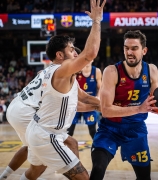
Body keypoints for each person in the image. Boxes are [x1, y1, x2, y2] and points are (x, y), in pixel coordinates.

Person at [20, 0, 106, 180]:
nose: (76, 54)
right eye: (72, 50)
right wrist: (96, 21)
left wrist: (107, 106)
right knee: (83, 177)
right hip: (47, 136)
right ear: (60, 55)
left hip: (38, 130)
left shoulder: (59, 74)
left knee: (34, 172)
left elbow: (84, 99)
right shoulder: (62, 71)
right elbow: (90, 54)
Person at [0, 47, 86, 180]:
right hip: (25, 111)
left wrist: (102, 106)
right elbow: (79, 104)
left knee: (34, 151)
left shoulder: (51, 71)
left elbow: (79, 102)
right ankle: (72, 171)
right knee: (66, 144)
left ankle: (5, 176)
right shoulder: (62, 76)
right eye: (76, 58)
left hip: (18, 106)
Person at [90, 30, 158, 180]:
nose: (129, 52)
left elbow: (157, 101)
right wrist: (139, 108)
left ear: (144, 50)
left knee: (144, 178)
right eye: (126, 48)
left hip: (136, 129)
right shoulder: (111, 71)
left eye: (134, 48)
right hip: (110, 129)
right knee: (97, 168)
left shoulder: (152, 70)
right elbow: (106, 110)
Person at [68, 61, 102, 139]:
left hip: (90, 105)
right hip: (77, 104)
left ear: (93, 59)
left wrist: (98, 97)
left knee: (92, 131)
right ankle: (65, 149)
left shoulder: (96, 71)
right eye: (86, 59)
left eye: (89, 59)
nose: (87, 61)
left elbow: (100, 88)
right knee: (69, 131)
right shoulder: (77, 71)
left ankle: (97, 149)